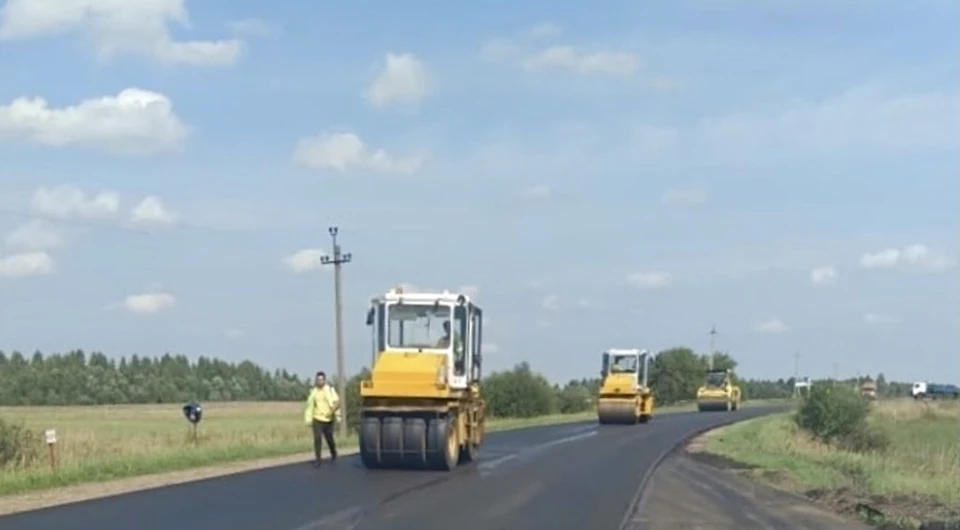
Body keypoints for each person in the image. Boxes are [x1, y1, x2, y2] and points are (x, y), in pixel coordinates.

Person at [303, 371, 340, 467]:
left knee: (329, 438)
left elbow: (337, 402)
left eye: (321, 379)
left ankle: (333, 452)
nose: (319, 381)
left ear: (324, 380)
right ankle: (318, 459)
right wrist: (309, 418)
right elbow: (310, 406)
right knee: (317, 438)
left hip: (328, 419)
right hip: (317, 418)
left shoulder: (329, 390)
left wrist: (331, 412)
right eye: (317, 379)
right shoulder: (313, 392)